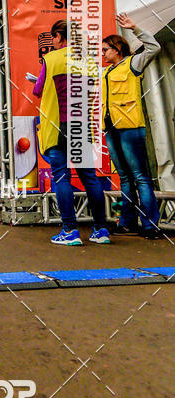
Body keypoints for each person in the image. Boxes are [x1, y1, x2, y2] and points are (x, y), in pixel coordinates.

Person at [33, 19, 110, 246]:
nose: (53, 42)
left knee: (62, 177)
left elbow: (38, 90)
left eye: (53, 37)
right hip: (82, 127)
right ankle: (101, 230)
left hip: (57, 127)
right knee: (90, 178)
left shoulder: (51, 59)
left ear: (59, 36)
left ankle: (70, 230)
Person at [102, 13, 163, 238]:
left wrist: (135, 28)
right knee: (126, 178)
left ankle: (150, 226)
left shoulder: (133, 63)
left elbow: (154, 48)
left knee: (140, 177)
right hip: (111, 129)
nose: (102, 53)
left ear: (117, 49)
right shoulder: (105, 72)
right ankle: (127, 222)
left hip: (130, 127)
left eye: (105, 49)